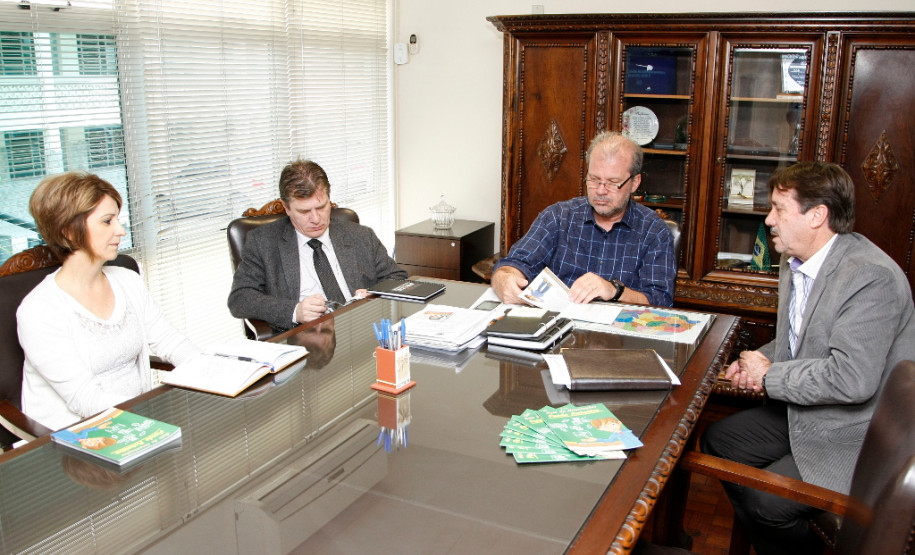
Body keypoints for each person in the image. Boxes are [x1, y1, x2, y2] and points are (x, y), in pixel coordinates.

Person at [700, 161, 915, 555]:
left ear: (818, 215)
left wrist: (769, 377)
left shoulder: (869, 277)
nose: (768, 220)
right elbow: (797, 344)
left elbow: (852, 379)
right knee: (718, 440)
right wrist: (752, 362)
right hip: (807, 414)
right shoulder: (796, 259)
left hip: (856, 435)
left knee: (767, 505)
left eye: (780, 208)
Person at [18, 172, 199, 431]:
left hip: (138, 421)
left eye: (118, 219)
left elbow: (170, 341)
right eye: (107, 221)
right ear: (68, 232)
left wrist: (213, 372)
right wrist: (156, 415)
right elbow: (86, 399)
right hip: (76, 438)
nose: (121, 230)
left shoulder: (127, 280)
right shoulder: (39, 311)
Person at [491, 131, 676, 307]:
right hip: (559, 329)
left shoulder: (654, 231)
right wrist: (504, 279)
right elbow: (513, 265)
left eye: (613, 183)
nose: (601, 190)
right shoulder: (558, 216)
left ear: (635, 183)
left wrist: (614, 291)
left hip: (619, 335)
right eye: (594, 180)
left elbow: (661, 301)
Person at [228, 159, 406, 332]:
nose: (315, 219)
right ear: (286, 207)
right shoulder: (263, 242)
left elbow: (399, 278)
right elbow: (240, 298)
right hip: (305, 339)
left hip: (361, 331)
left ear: (329, 199)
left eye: (321, 207)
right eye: (304, 211)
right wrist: (294, 311)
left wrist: (375, 294)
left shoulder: (360, 236)